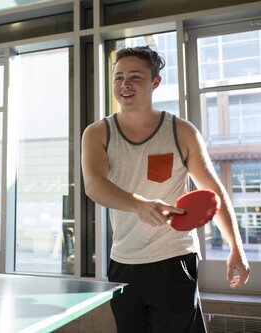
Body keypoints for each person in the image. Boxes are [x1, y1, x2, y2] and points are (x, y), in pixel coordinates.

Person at [81, 46, 250, 333]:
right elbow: (95, 186)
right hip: (123, 261)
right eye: (118, 77)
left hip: (174, 258)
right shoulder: (97, 133)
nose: (124, 84)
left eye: (135, 77)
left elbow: (213, 191)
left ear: (155, 82)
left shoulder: (180, 131)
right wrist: (138, 204)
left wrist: (236, 246)